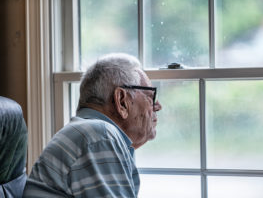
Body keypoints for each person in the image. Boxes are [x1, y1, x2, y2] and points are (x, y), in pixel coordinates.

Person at [23, 53, 162, 197]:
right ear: (121, 101)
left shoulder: (91, 134)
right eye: (151, 97)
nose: (158, 106)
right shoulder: (99, 136)